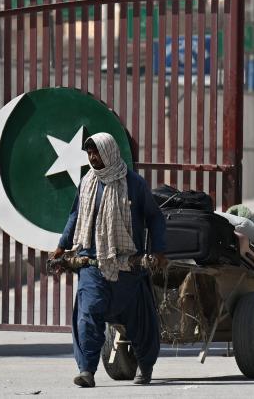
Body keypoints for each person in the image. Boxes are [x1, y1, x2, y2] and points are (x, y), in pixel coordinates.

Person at [50, 132, 167, 387]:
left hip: (127, 266)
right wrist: (61, 247)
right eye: (90, 153)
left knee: (139, 320)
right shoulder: (86, 183)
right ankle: (87, 371)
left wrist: (158, 250)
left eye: (97, 152)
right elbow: (74, 216)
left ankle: (145, 366)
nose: (93, 157)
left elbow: (155, 217)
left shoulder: (134, 183)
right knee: (88, 313)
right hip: (91, 264)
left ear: (110, 152)